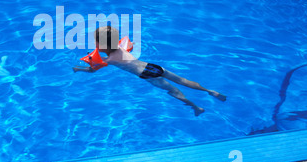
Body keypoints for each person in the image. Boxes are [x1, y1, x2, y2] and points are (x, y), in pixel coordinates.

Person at [73, 26, 226, 116]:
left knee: (172, 91)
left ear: (102, 45)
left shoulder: (109, 60)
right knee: (182, 80)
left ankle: (196, 107)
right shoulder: (120, 47)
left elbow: (92, 70)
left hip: (148, 75)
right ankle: (209, 91)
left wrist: (78, 69)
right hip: (153, 66)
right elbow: (129, 44)